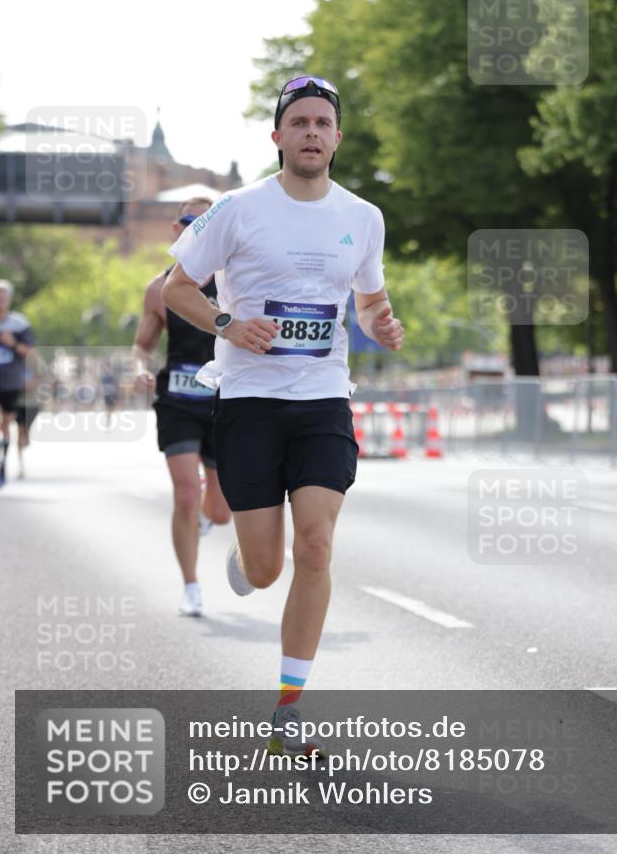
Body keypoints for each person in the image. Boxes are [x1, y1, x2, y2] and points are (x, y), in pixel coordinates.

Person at [162, 76, 404, 756]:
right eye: (298, 122)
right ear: (277, 136)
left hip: (323, 399)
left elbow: (366, 301)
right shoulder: (237, 209)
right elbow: (174, 287)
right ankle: (247, 554)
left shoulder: (362, 215)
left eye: (322, 122)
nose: (311, 132)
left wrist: (381, 324)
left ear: (337, 136)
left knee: (318, 547)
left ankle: (288, 713)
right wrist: (226, 323)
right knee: (266, 569)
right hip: (247, 403)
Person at [133, 198, 232, 618]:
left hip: (224, 401)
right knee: (185, 493)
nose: (197, 229)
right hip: (176, 398)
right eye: (190, 223)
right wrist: (139, 368)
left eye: (206, 223)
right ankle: (191, 585)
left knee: (222, 512)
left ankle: (209, 513)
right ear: (177, 229)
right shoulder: (159, 288)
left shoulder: (235, 284)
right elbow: (142, 344)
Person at [0, 280, 36, 487]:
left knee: (5, 425)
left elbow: (32, 353)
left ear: (9, 299)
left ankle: (1, 462)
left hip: (11, 383)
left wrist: (12, 343)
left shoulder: (19, 324)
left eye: (3, 296)